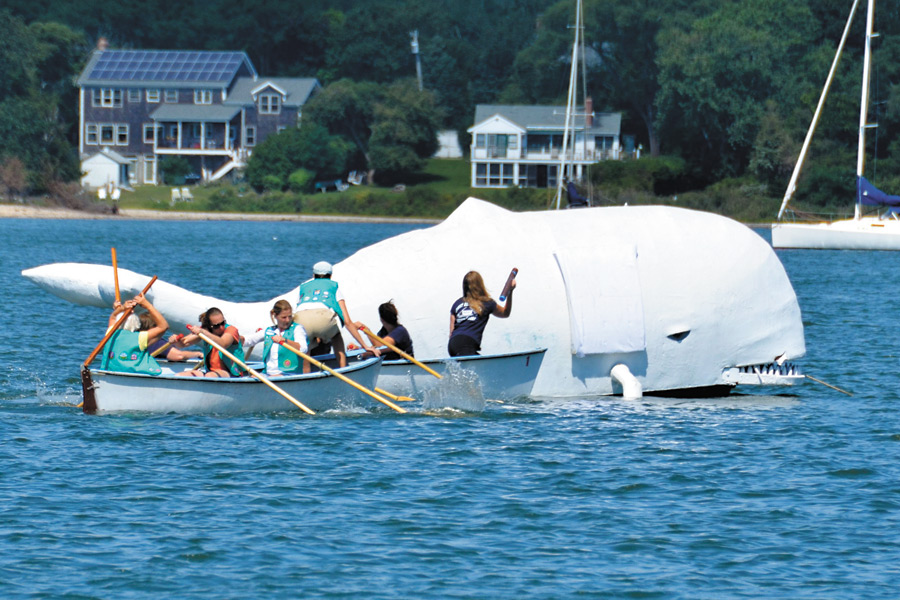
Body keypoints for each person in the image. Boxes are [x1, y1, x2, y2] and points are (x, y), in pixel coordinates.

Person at [293, 261, 378, 369]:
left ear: (313, 275)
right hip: (323, 318)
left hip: (301, 319)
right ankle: (342, 369)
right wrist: (365, 346)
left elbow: (298, 310)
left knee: (306, 348)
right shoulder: (334, 287)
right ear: (331, 276)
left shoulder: (303, 287)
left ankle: (306, 378)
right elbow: (347, 322)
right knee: (336, 335)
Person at [448, 270, 515, 357]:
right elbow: (505, 313)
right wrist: (510, 291)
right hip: (467, 343)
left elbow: (451, 333)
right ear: (480, 285)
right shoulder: (487, 302)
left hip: (452, 344)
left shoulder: (456, 304)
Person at [100, 294, 169, 375]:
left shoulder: (111, 333)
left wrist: (122, 308)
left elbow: (113, 317)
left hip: (109, 372)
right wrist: (147, 305)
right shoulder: (140, 337)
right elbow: (164, 326)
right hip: (137, 374)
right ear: (136, 324)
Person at [244, 299, 309, 376]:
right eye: (284, 317)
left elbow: (303, 349)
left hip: (289, 373)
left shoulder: (297, 329)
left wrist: (285, 341)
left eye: (290, 316)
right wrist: (234, 338)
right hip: (268, 374)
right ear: (275, 316)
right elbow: (248, 340)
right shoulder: (269, 331)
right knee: (253, 377)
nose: (287, 320)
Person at [177, 307, 245, 377]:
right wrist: (176, 340)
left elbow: (223, 343)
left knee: (210, 376)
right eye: (216, 326)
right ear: (209, 326)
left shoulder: (231, 330)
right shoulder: (206, 331)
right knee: (181, 375)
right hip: (210, 373)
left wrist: (203, 332)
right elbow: (182, 344)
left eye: (223, 323)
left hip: (232, 373)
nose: (221, 327)